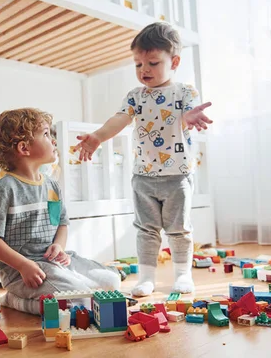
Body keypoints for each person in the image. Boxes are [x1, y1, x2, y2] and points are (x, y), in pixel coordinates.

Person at [74, 22, 213, 297]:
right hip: (144, 177)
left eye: (152, 62)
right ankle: (147, 277)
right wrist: (98, 137)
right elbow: (120, 119)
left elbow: (184, 117)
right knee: (146, 230)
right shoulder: (135, 96)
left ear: (174, 62)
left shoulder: (184, 92)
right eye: (138, 64)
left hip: (177, 175)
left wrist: (189, 118)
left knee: (178, 229)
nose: (144, 70)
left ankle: (183, 273)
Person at [0, 108, 121, 314]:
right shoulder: (4, 189)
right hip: (24, 271)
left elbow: (62, 222)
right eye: (46, 134)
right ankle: (13, 298)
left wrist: (58, 246)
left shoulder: (52, 185)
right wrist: (23, 266)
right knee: (78, 302)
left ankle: (74, 284)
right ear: (24, 148)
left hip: (56, 262)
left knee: (112, 282)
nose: (54, 140)